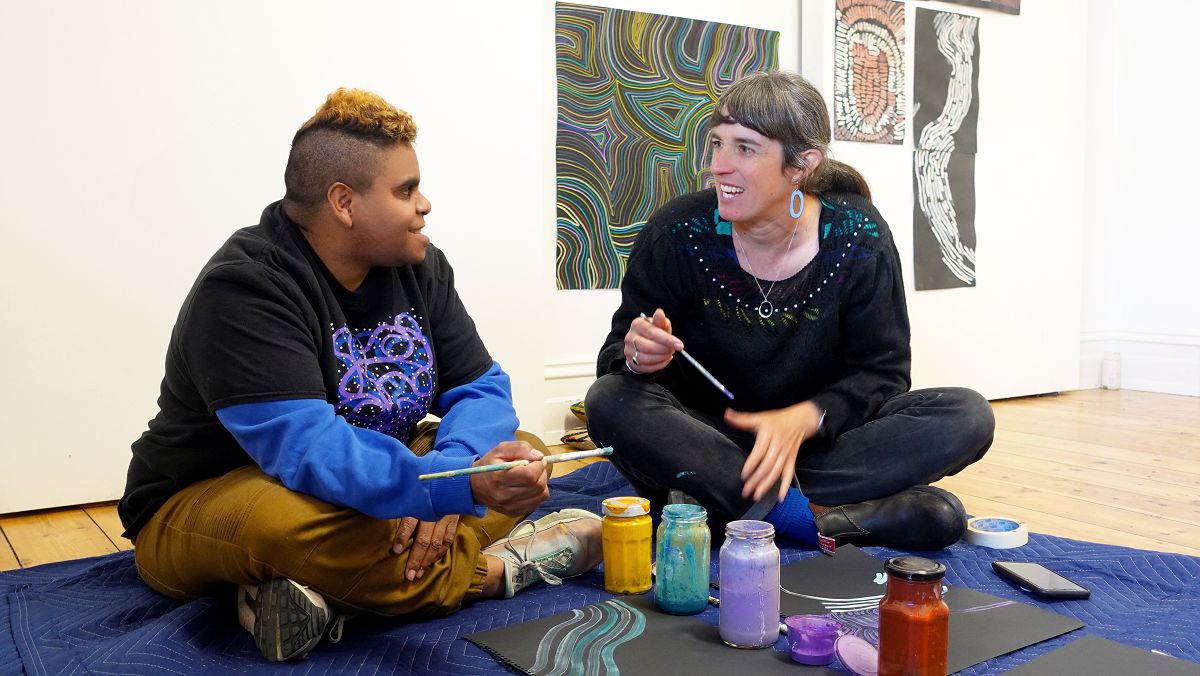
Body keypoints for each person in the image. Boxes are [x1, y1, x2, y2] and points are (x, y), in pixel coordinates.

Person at [118, 88, 601, 662]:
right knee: (291, 529)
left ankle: (316, 597)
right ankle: (505, 568)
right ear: (344, 203)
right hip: (219, 494)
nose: (424, 205)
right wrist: (456, 488)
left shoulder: (419, 264)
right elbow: (310, 451)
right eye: (405, 190)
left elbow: (481, 388)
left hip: (366, 480)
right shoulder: (246, 286)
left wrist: (458, 475)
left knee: (519, 452)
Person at [584, 71, 994, 552]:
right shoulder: (677, 232)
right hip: (708, 440)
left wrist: (805, 418)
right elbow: (616, 358)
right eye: (716, 144)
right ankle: (819, 520)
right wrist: (638, 356)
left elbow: (882, 375)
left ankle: (719, 505)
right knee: (609, 399)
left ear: (801, 165)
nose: (718, 165)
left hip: (816, 447)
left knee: (967, 414)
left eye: (745, 148)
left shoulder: (858, 238)